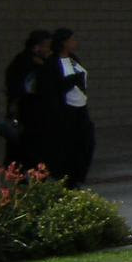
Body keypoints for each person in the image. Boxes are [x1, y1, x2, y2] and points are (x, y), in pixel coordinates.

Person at [47, 27, 94, 187]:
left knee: (86, 142)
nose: (75, 42)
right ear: (63, 43)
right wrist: (71, 81)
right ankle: (66, 178)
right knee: (68, 145)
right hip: (66, 110)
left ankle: (77, 175)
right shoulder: (53, 63)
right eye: (72, 40)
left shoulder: (74, 59)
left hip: (80, 107)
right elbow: (54, 87)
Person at [1, 28, 52, 168]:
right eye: (47, 46)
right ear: (36, 47)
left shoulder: (39, 64)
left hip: (33, 115)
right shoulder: (26, 64)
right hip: (28, 115)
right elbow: (24, 89)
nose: (49, 50)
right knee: (27, 150)